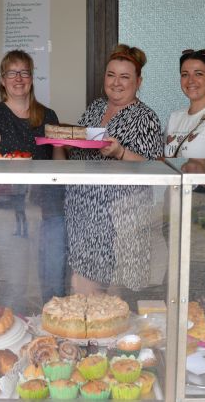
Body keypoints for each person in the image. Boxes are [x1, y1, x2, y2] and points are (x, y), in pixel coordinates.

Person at [65, 44, 165, 295]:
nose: (116, 82)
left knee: (115, 294)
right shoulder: (95, 109)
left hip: (123, 217)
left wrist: (120, 153)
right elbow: (79, 149)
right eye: (111, 75)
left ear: (138, 81)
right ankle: (87, 334)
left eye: (125, 77)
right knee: (82, 287)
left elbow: (153, 167)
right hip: (83, 213)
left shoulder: (146, 117)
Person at [0, 49, 66, 310]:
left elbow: (60, 165)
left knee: (53, 283)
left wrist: (65, 146)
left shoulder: (48, 116)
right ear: (2, 80)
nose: (18, 78)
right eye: (11, 73)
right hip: (6, 213)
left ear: (32, 78)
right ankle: (12, 341)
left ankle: (53, 339)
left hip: (48, 209)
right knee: (14, 285)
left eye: (24, 72)